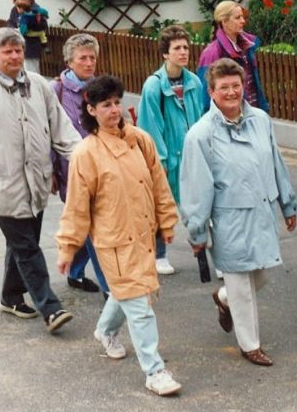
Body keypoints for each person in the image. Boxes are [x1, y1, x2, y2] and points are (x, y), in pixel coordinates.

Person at [55, 76, 182, 397]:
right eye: (106, 105)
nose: (114, 110)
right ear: (91, 110)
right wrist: (68, 247)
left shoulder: (140, 140)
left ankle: (105, 329)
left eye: (116, 103)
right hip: (113, 242)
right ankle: (154, 371)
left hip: (143, 236)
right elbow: (76, 207)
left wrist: (167, 222)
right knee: (139, 304)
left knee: (126, 292)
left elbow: (159, 184)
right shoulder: (86, 153)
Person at [180, 58, 297, 367]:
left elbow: (276, 163)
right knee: (241, 286)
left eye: (236, 85)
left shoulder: (261, 120)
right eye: (224, 87)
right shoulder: (200, 134)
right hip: (228, 219)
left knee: (260, 275)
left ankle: (223, 298)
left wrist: (287, 203)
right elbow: (196, 188)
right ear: (211, 91)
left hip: (261, 213)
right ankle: (250, 345)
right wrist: (197, 231)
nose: (231, 92)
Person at [0, 27, 81, 333]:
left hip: (37, 182)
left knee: (21, 244)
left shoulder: (38, 85)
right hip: (3, 186)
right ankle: (51, 308)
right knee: (27, 248)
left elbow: (60, 127)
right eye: (7, 51)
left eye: (18, 50)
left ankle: (10, 296)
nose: (14, 56)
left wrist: (83, 157)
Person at [137, 25, 204, 275]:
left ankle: (213, 254)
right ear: (165, 53)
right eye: (177, 48)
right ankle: (159, 255)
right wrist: (160, 160)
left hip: (192, 156)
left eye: (186, 47)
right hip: (167, 158)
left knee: (201, 205)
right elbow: (150, 126)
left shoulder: (194, 82)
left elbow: (201, 119)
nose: (183, 52)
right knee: (160, 207)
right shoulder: (153, 86)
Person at [50, 33, 107, 295]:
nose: (89, 62)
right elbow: (49, 133)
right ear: (69, 61)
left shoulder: (101, 87)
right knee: (91, 225)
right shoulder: (56, 91)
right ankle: (109, 287)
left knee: (90, 224)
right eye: (83, 58)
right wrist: (51, 170)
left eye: (92, 57)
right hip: (71, 170)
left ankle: (75, 272)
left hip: (103, 168)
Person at [197, 0, 268, 113]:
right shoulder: (211, 53)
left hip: (253, 111)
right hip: (230, 116)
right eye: (237, 18)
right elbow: (205, 96)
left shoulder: (248, 46)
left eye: (242, 17)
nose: (243, 21)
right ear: (224, 21)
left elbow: (253, 83)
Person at [7, 0, 47, 73]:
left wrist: (28, 26)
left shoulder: (34, 8)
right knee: (20, 73)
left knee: (31, 73)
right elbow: (10, 21)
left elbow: (43, 25)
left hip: (30, 48)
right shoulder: (15, 9)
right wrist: (13, 29)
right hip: (18, 46)